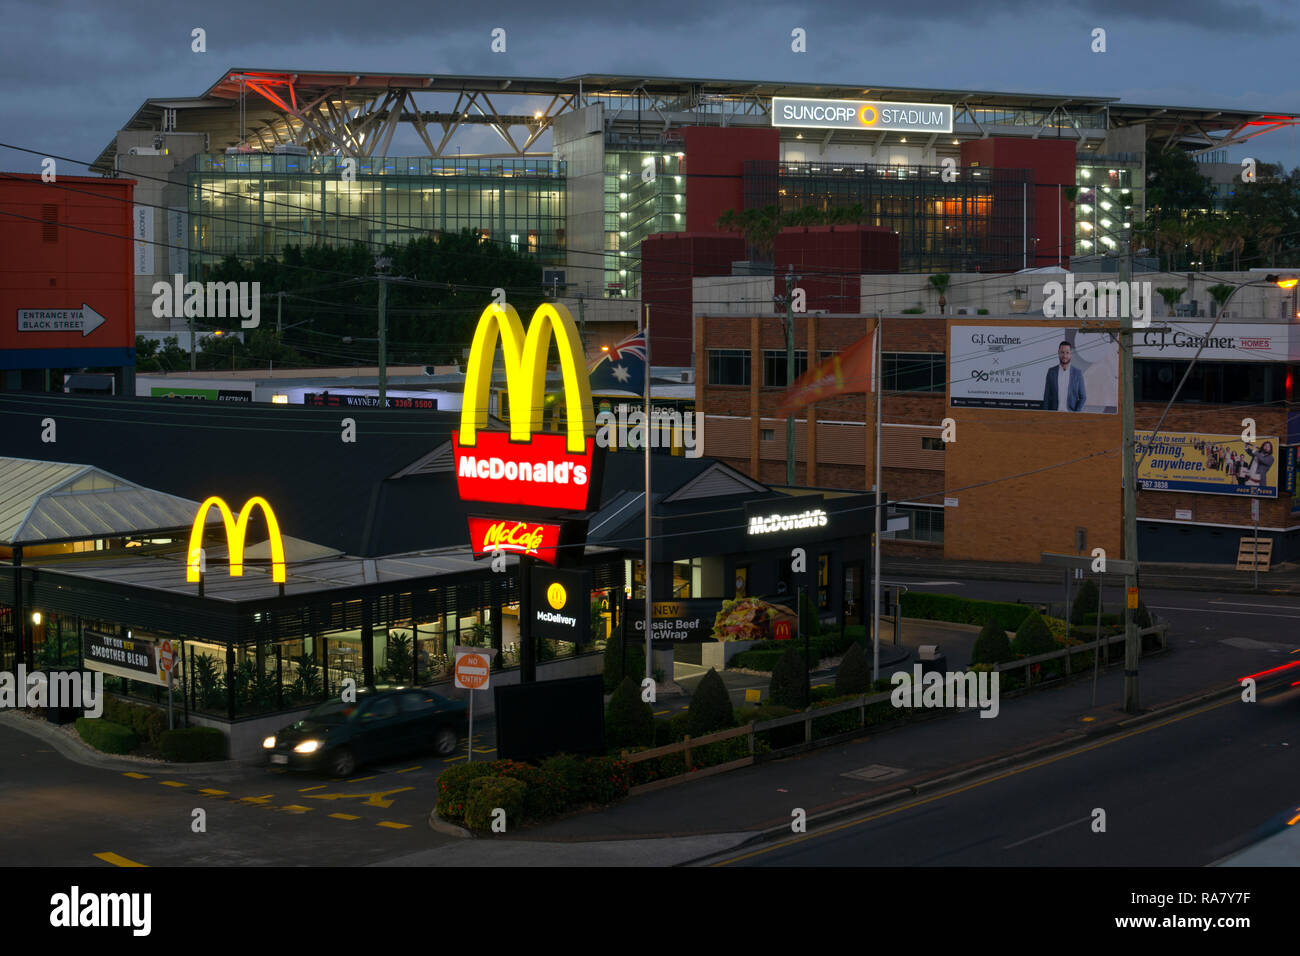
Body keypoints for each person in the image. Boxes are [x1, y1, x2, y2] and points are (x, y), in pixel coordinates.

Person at [1043, 341, 1086, 411]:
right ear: (1058, 353)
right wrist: (1045, 415)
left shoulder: (1078, 373)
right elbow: (1046, 397)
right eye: (1062, 352)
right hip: (1054, 415)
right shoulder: (1051, 372)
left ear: (1071, 354)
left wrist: (1076, 414)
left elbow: (1083, 397)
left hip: (1071, 417)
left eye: (1067, 353)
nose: (1065, 356)